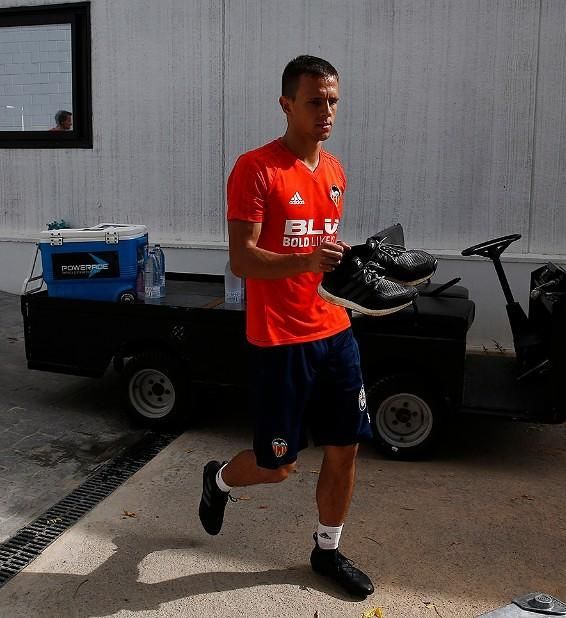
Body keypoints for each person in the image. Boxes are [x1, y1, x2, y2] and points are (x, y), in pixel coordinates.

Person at [198, 55, 374, 598]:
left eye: (333, 101)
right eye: (315, 101)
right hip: (279, 340)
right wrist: (305, 261)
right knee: (278, 468)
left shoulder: (336, 171)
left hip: (334, 330)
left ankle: (328, 551)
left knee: (346, 448)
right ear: (286, 104)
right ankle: (220, 479)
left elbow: (322, 253)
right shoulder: (256, 169)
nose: (327, 112)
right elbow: (242, 260)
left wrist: (348, 269)